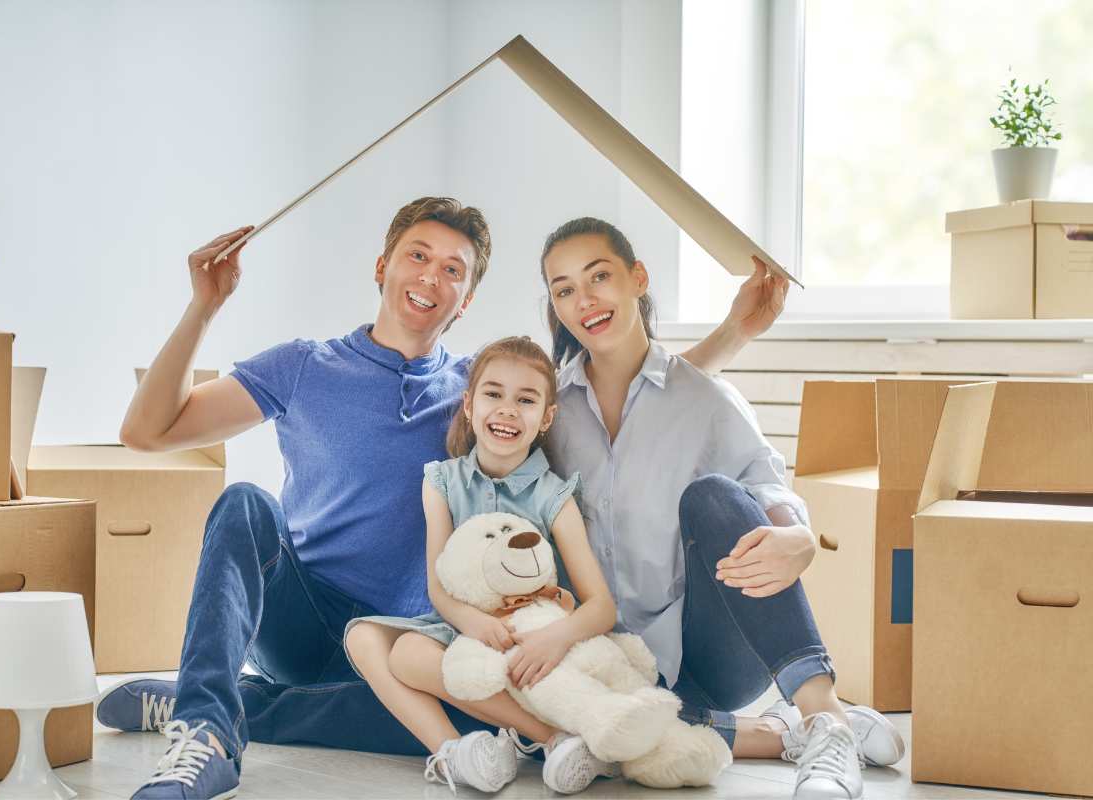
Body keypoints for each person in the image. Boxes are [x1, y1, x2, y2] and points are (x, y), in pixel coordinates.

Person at [94, 197, 779, 800]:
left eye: (454, 269)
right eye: (417, 257)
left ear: (469, 297)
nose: (431, 277)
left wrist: (736, 335)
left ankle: (219, 694)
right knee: (244, 503)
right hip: (304, 619)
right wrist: (203, 307)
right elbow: (147, 431)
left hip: (418, 642)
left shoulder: (481, 392)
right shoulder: (302, 366)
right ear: (381, 267)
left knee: (487, 720)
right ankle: (207, 731)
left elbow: (619, 397)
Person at [538, 217, 906, 800]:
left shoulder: (705, 398)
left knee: (713, 497)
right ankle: (780, 733)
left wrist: (798, 537)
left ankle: (825, 718)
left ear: (638, 278)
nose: (583, 300)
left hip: (709, 652)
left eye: (599, 276)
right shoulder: (548, 413)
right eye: (563, 289)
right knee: (595, 730)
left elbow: (766, 487)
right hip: (611, 663)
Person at [344, 336, 621, 795]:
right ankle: (458, 754)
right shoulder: (441, 482)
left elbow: (601, 608)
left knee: (410, 656)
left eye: (526, 400)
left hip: (531, 638)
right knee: (374, 641)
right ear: (469, 406)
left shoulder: (554, 496)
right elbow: (438, 589)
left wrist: (553, 639)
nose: (508, 410)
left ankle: (553, 737)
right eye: (494, 394)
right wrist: (472, 622)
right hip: (461, 628)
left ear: (546, 418)